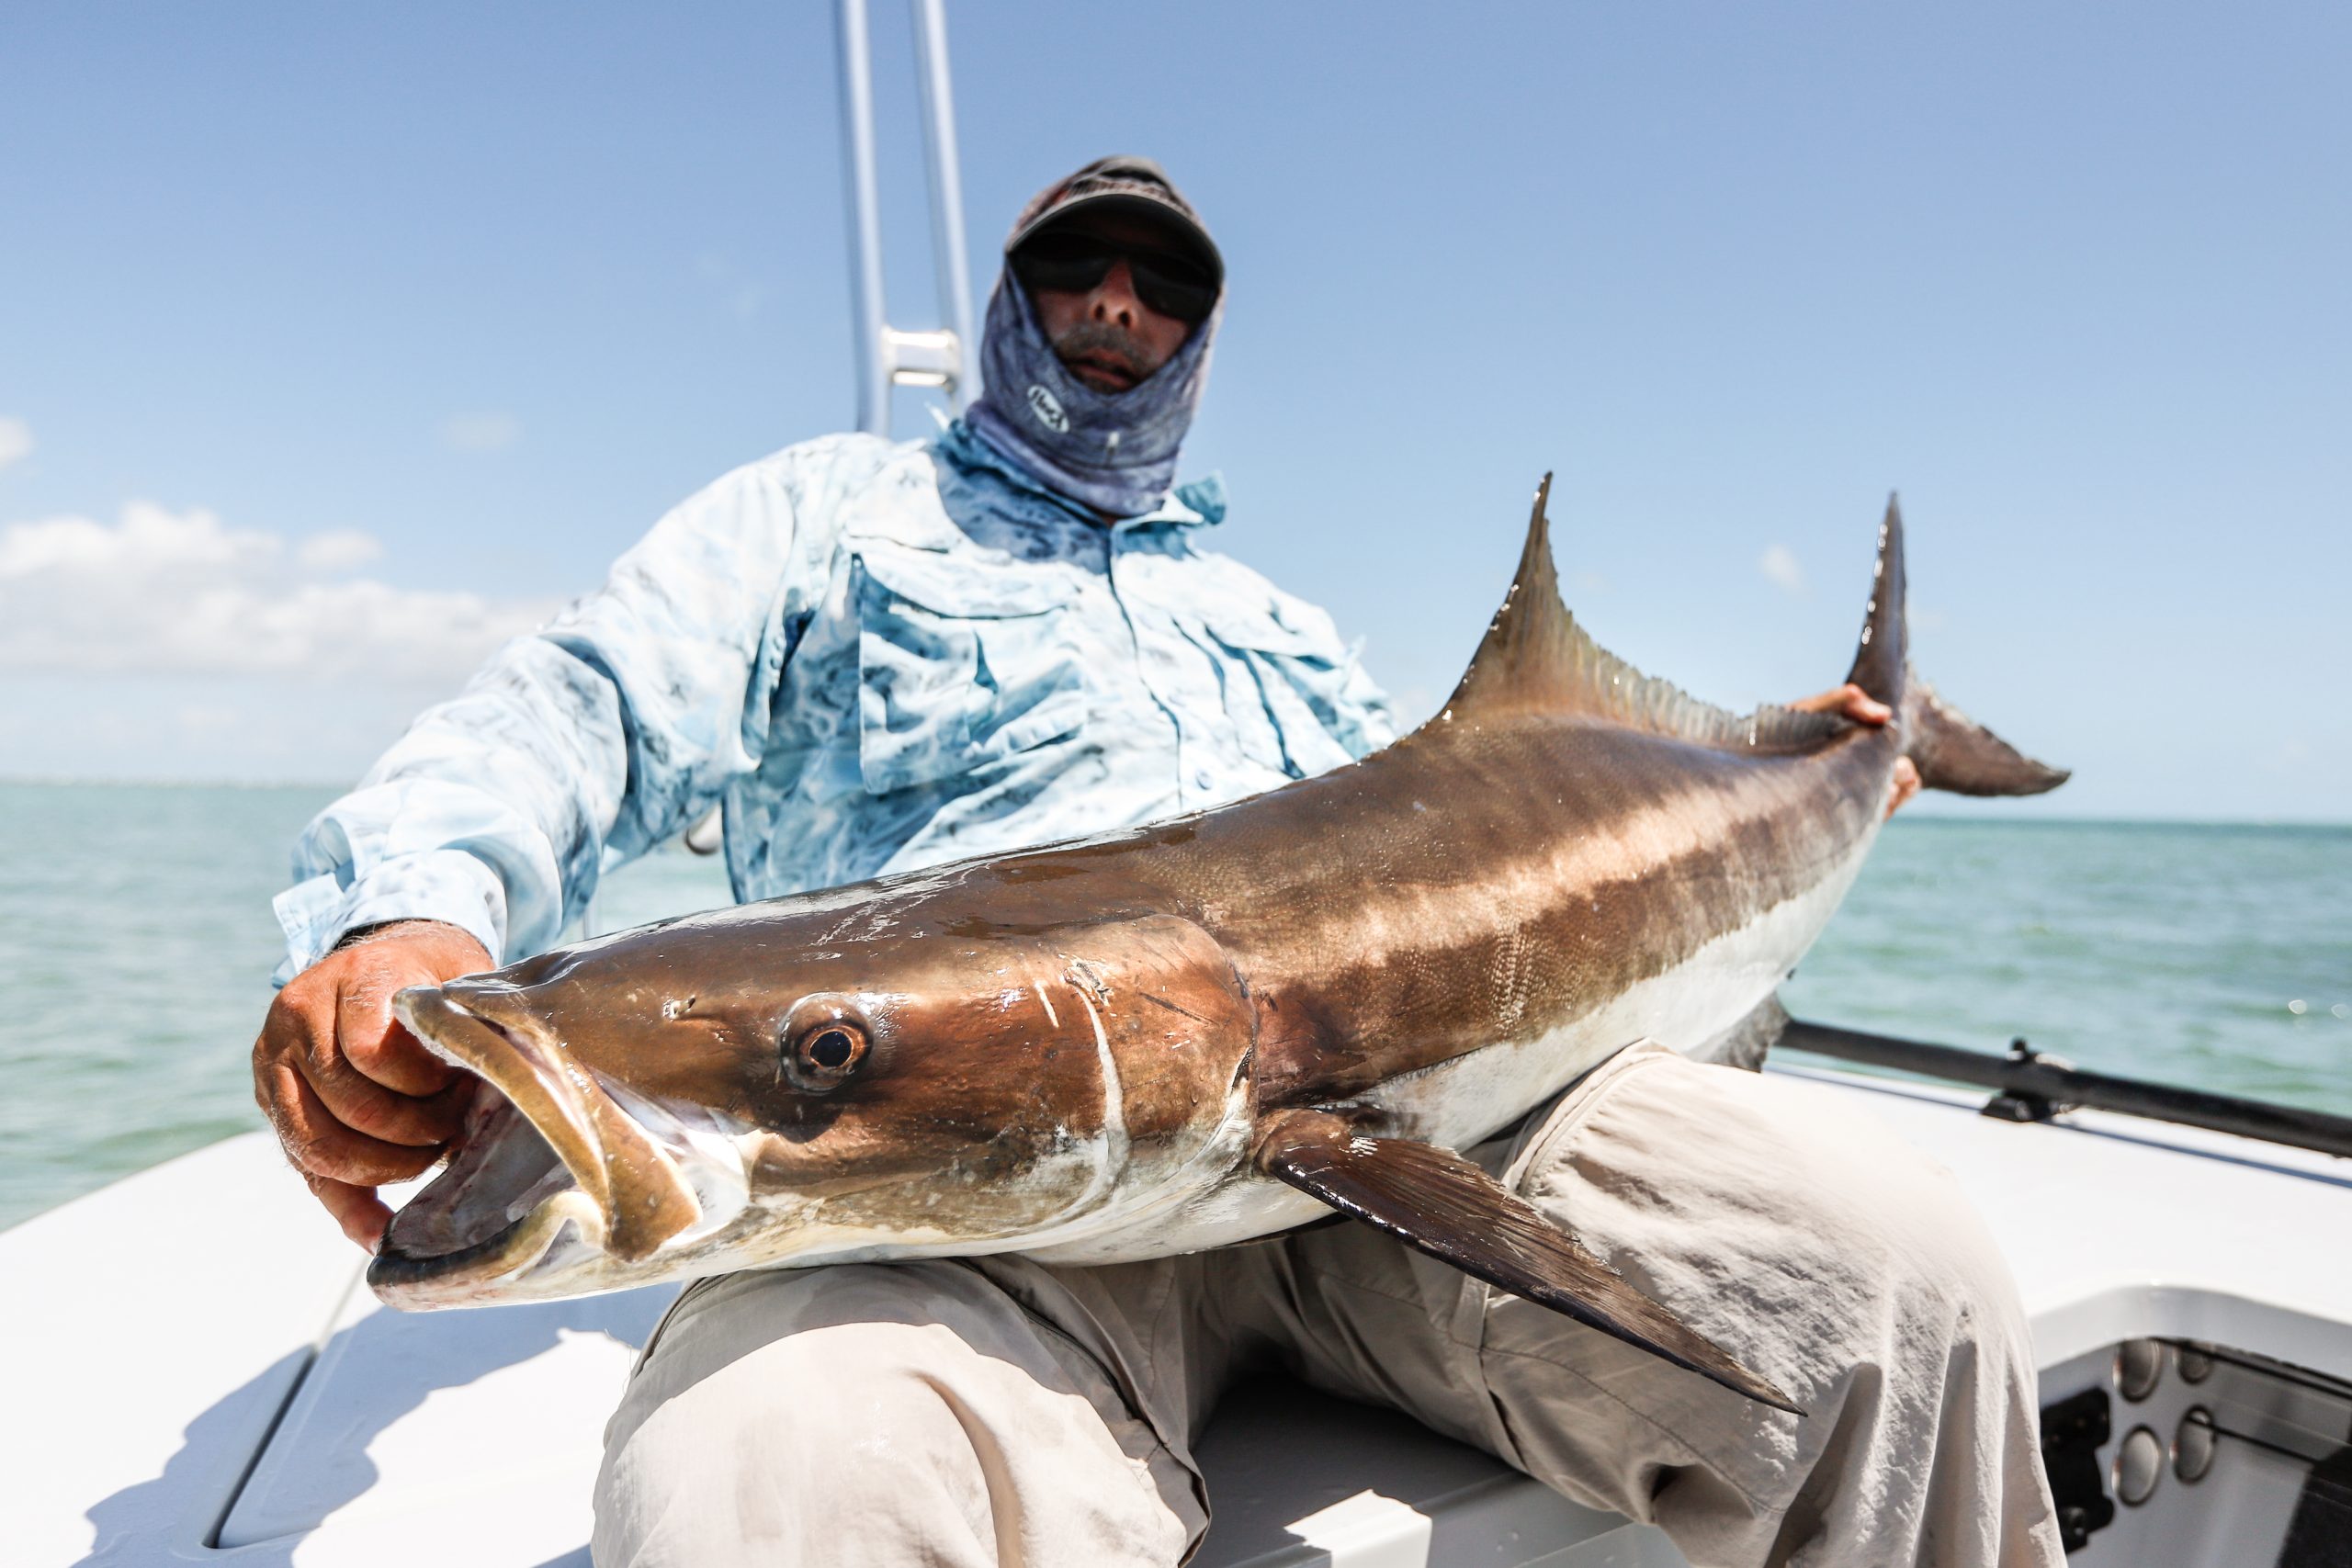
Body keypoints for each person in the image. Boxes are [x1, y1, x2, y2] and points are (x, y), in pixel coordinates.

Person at [253, 157, 2052, 1567]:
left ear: (1195, 334)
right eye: (1072, 265)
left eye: (1164, 280)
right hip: (951, 1183)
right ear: (1003, 302)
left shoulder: (1264, 613)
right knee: (779, 1480)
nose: (1114, 300)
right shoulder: (823, 518)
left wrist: (1813, 757)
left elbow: (1465, 811)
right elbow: (581, 701)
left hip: (1398, 1132)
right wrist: (419, 900)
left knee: (1884, 1272)